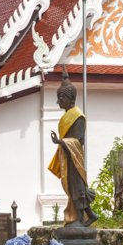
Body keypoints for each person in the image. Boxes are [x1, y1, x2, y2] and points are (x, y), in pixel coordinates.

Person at [48, 66, 99, 227]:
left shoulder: (78, 117)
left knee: (78, 189)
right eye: (58, 98)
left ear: (71, 99)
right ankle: (83, 217)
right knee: (71, 188)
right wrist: (61, 143)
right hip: (68, 157)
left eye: (61, 98)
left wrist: (61, 142)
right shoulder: (66, 117)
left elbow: (79, 140)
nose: (58, 102)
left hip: (75, 158)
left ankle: (83, 218)